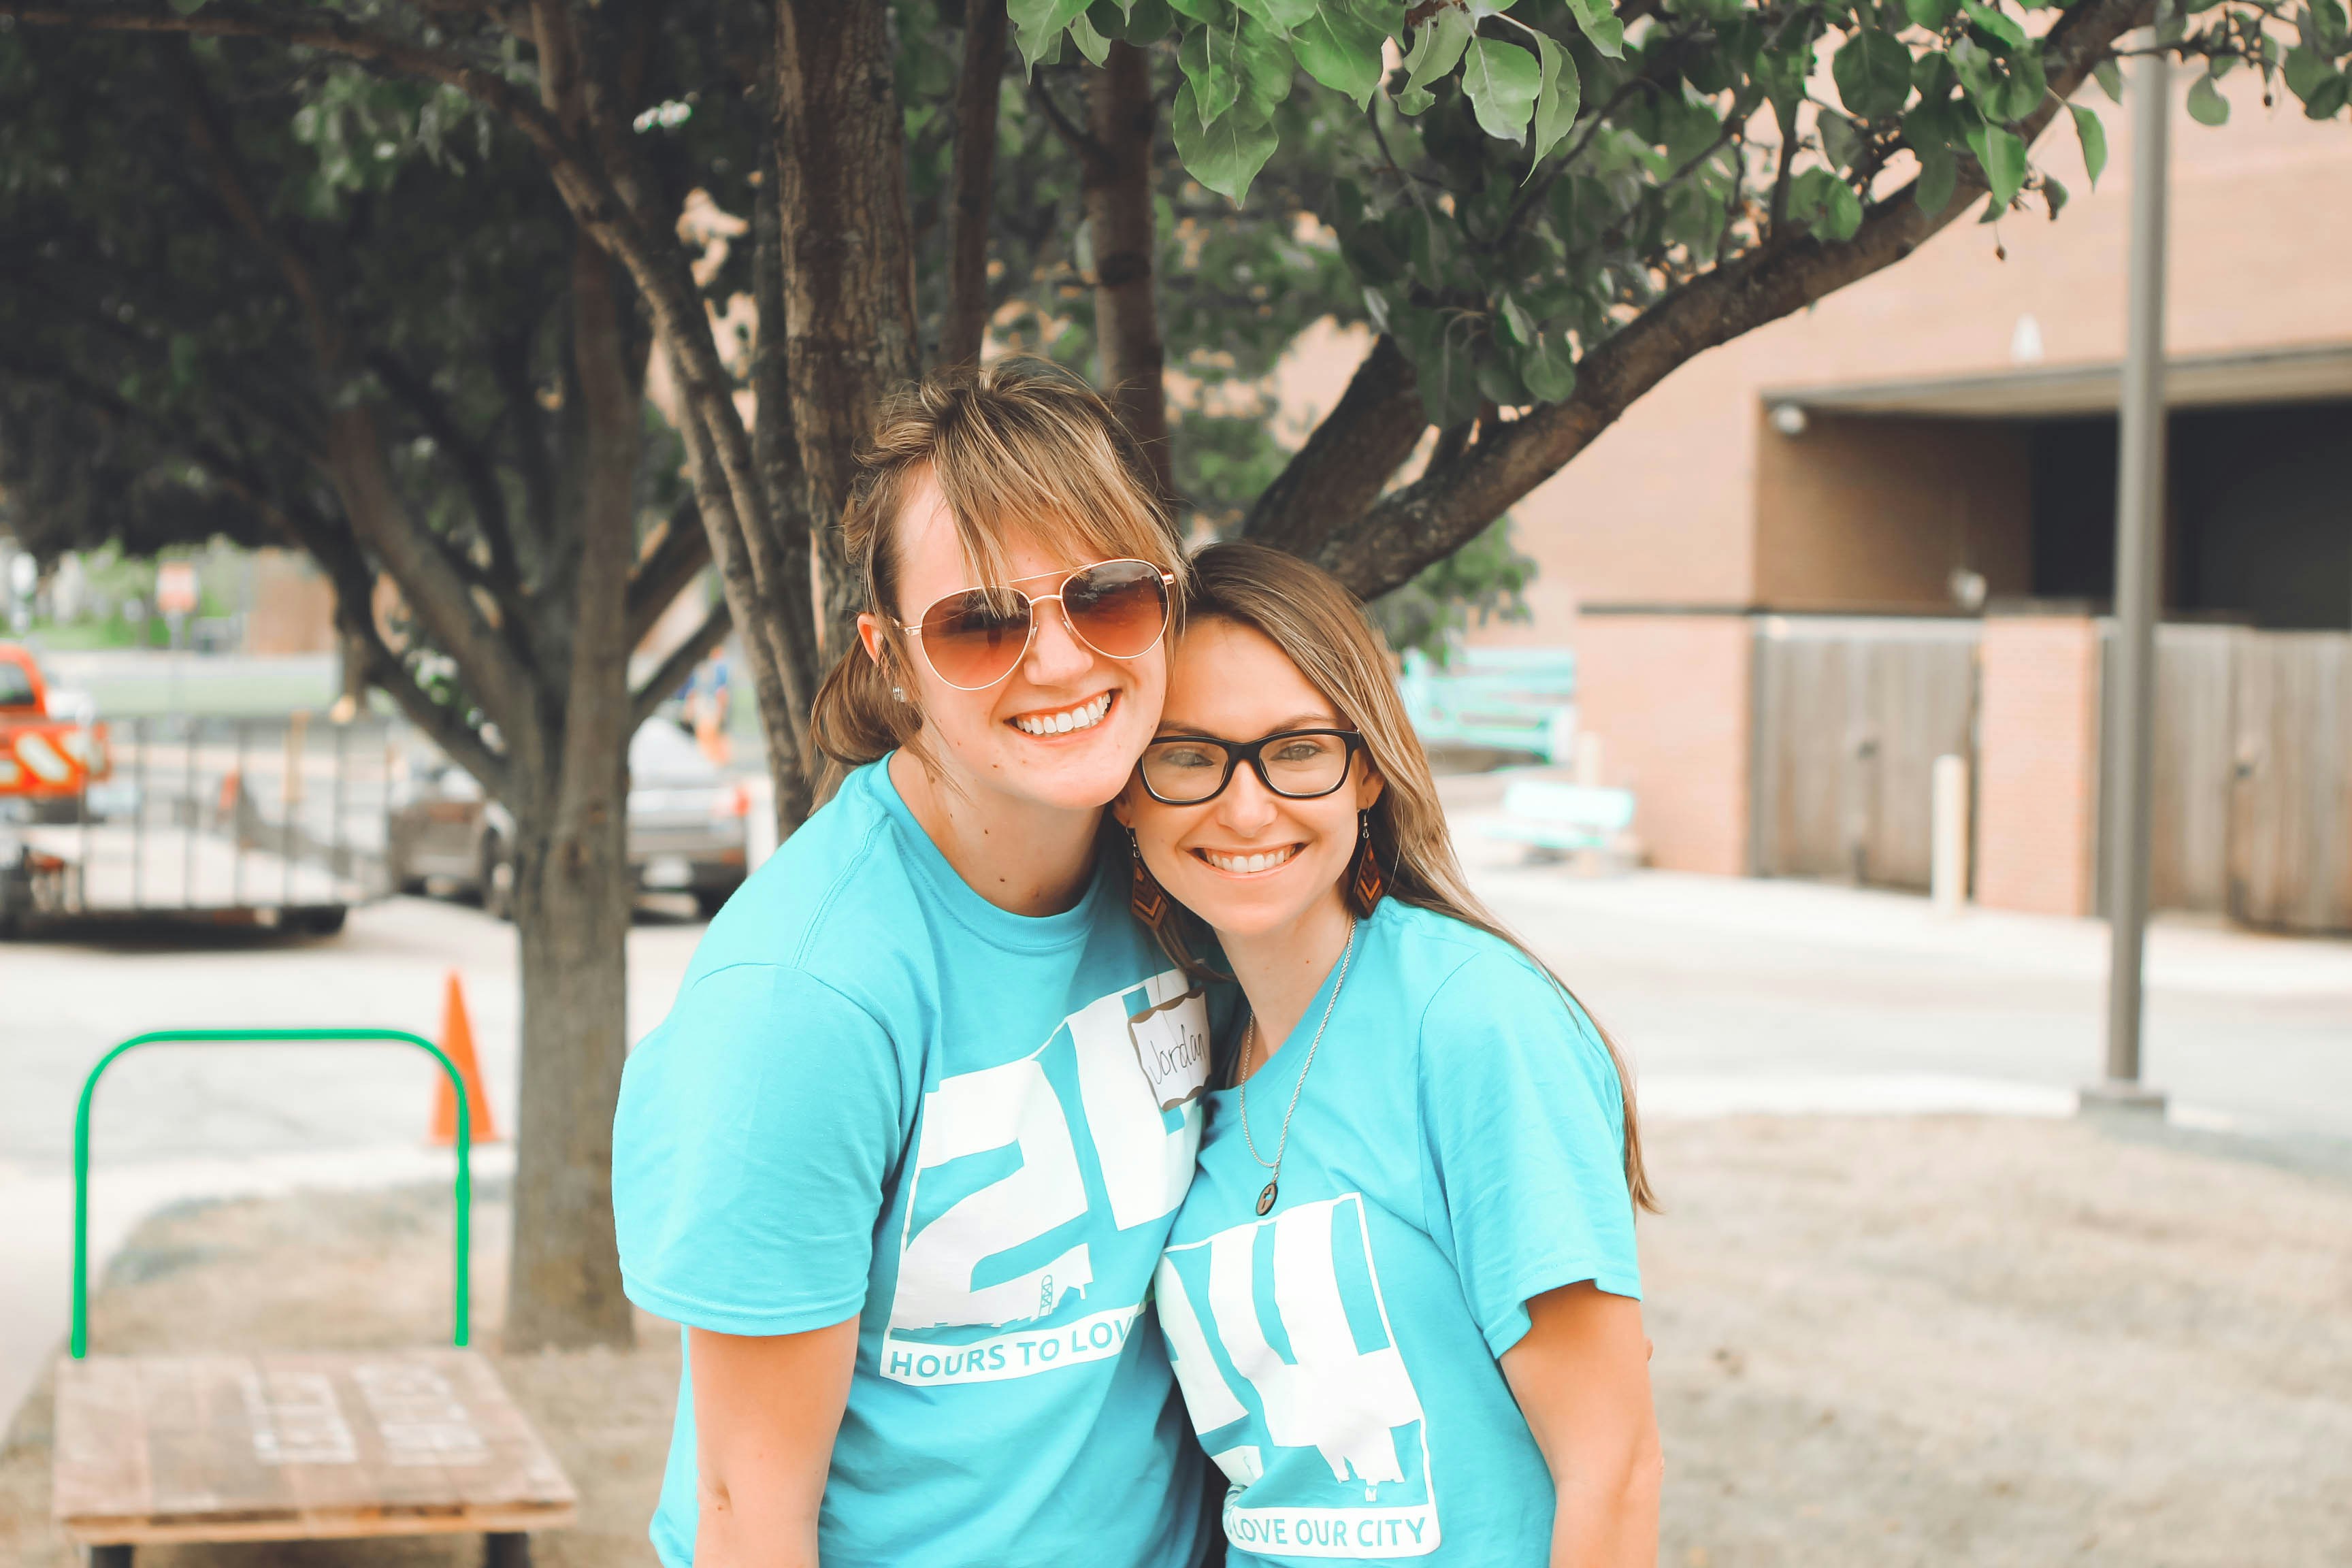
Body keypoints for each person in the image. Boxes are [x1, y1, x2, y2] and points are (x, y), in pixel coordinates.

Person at [612, 360, 1218, 1568]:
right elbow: (745, 1514)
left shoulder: (1192, 881)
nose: (1056, 663)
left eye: (1103, 599)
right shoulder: (802, 1002)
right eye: (982, 623)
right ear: (892, 655)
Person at [1117, 541, 1661, 1567]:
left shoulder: (1472, 1019)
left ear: (1365, 768)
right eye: (1189, 755)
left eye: (1297, 749)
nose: (1246, 807)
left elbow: (1616, 1469)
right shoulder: (1191, 1050)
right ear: (1127, 789)